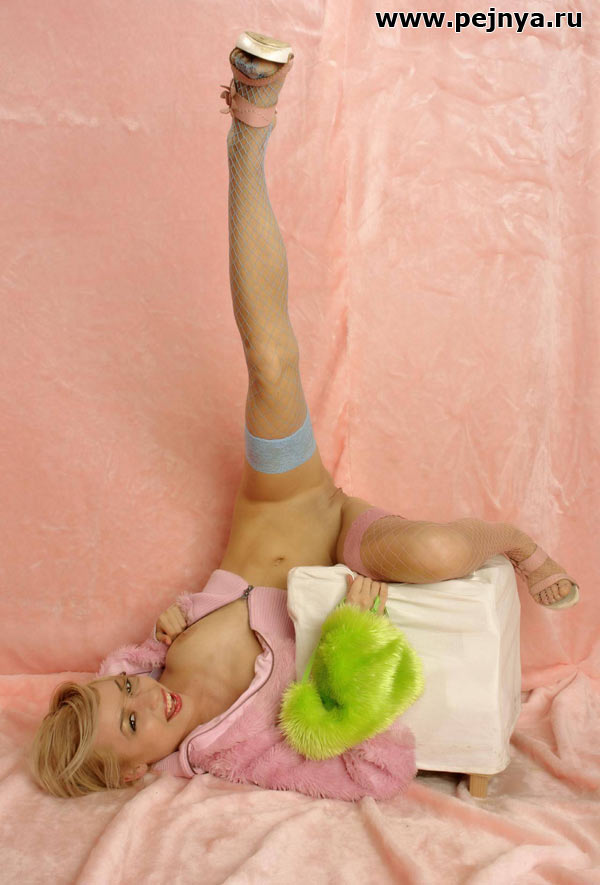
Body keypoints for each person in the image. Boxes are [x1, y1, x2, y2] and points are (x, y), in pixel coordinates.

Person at [28, 31, 579, 800]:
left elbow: (128, 669)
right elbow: (374, 768)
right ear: (133, 770)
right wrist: (352, 646)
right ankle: (516, 541)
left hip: (289, 505)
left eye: (125, 692)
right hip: (348, 555)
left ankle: (248, 134)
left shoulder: (154, 656)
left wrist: (161, 639)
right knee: (432, 552)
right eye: (132, 721)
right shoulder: (235, 751)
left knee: (270, 361)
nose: (146, 699)